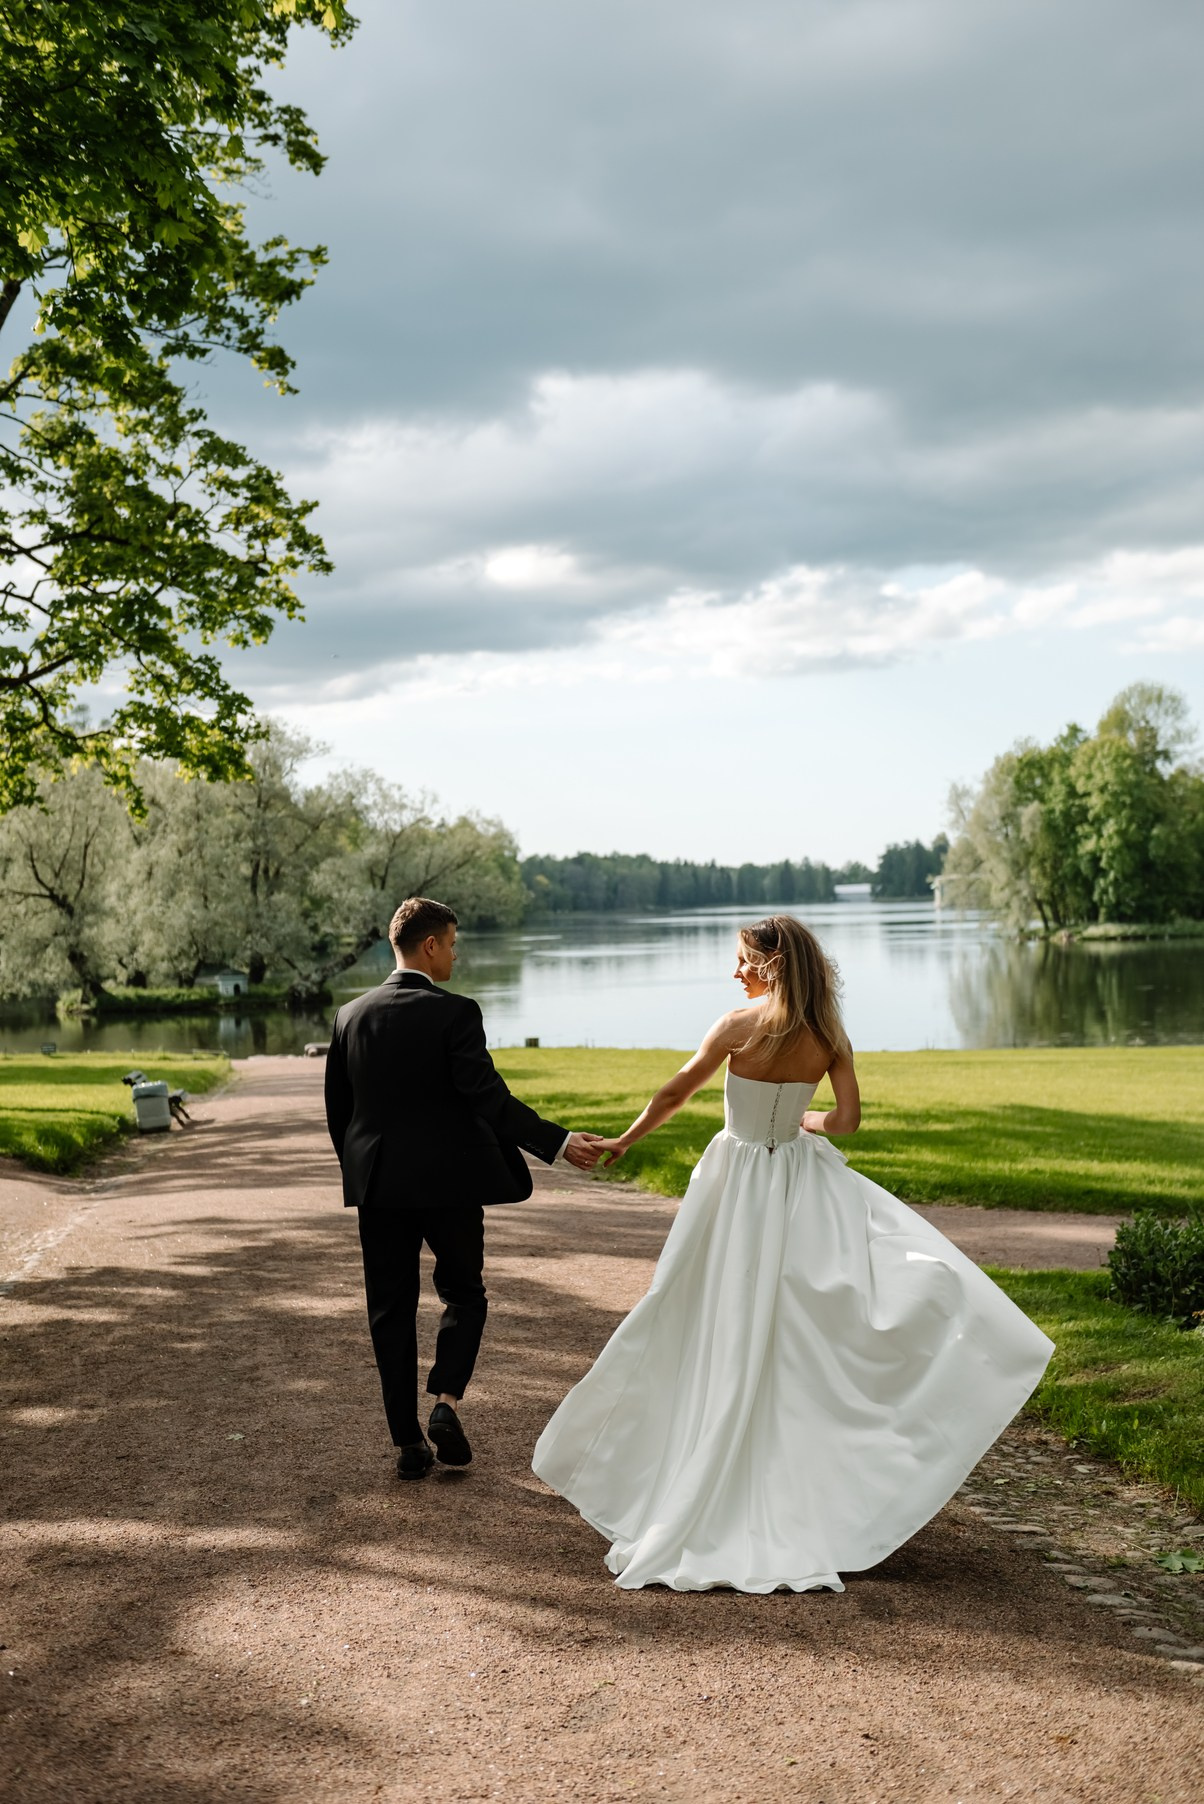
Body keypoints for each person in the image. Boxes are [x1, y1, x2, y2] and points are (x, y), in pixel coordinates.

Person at [533, 914, 1053, 1592]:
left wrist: (626, 1140)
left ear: (770, 965)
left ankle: (705, 1462)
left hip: (737, 1184)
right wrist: (807, 1120)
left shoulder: (736, 1027)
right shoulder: (827, 1035)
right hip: (803, 1185)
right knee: (809, 1321)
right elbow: (848, 1122)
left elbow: (675, 1091)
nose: (735, 972)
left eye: (743, 960)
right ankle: (812, 1480)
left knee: (711, 1313)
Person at [325, 896, 602, 1479]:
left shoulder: (350, 1016)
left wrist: (364, 1174)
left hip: (380, 1188)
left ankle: (406, 1443)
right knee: (464, 1293)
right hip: (451, 1184)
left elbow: (340, 1114)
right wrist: (555, 1143)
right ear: (430, 945)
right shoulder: (456, 1013)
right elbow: (489, 1100)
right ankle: (445, 1401)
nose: (455, 952)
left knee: (389, 1311)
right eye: (452, 942)